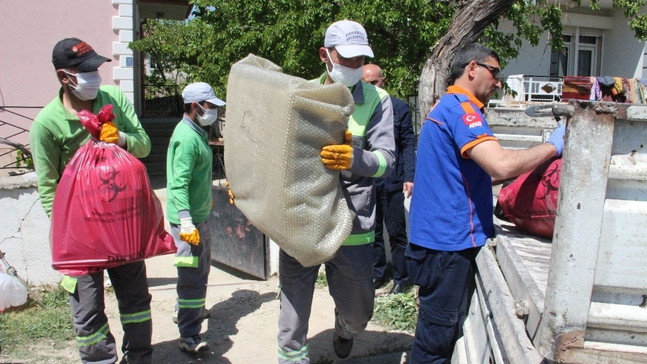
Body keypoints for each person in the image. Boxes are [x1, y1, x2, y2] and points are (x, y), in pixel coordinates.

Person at [406, 43, 566, 363]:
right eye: (494, 72)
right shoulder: (462, 111)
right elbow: (501, 166)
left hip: (438, 245)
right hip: (447, 247)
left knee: (439, 335)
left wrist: (527, 172)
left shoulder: (448, 108)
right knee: (434, 344)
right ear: (472, 69)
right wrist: (552, 147)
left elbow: (471, 177)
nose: (497, 82)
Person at [277, 20, 395, 363]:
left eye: (360, 60)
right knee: (292, 311)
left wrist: (355, 158)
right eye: (347, 59)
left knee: (360, 309)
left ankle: (345, 329)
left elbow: (387, 160)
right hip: (302, 218)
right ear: (324, 56)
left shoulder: (377, 101)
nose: (354, 67)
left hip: (352, 223)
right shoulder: (301, 95)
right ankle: (292, 357)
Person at [30, 37, 154, 364]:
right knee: (87, 312)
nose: (94, 76)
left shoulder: (112, 100)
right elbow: (48, 187)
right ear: (63, 77)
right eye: (84, 71)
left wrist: (123, 138)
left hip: (121, 225)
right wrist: (67, 238)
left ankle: (140, 358)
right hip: (80, 237)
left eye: (96, 69)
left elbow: (143, 146)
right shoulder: (47, 125)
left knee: (136, 303)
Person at [166, 82, 225, 354]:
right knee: (191, 278)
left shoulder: (196, 132)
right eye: (210, 106)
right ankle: (189, 335)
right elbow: (178, 184)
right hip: (187, 223)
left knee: (199, 271)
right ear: (195, 106)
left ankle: (189, 310)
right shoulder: (187, 139)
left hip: (198, 217)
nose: (213, 110)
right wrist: (186, 220)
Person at [362, 64, 416, 295]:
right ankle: (377, 273)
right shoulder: (359, 108)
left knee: (396, 232)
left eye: (374, 82)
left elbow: (407, 144)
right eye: (365, 83)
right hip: (368, 179)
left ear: (383, 81)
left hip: (393, 179)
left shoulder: (399, 107)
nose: (370, 87)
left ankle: (401, 278)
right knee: (372, 232)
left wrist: (410, 176)